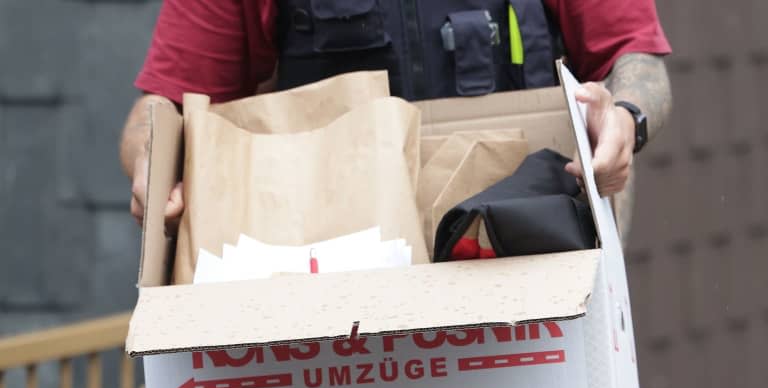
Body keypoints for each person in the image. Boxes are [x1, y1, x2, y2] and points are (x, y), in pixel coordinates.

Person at [120, 0, 672, 236]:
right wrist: (153, 156)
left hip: (530, 252)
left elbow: (635, 59)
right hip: (329, 280)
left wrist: (626, 118)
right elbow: (161, 106)